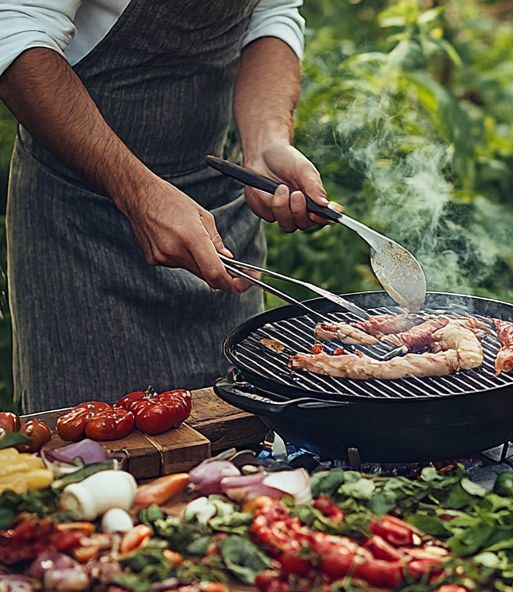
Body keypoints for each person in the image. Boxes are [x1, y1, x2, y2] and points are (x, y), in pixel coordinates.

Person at [0, 0, 329, 413]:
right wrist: (138, 191)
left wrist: (266, 141)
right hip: (83, 222)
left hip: (219, 200)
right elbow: (15, 25)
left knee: (240, 441)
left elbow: (272, 14)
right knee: (98, 463)